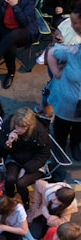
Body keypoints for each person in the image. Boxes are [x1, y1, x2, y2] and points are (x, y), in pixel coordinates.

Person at [0, 108, 51, 208]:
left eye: (23, 127)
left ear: (29, 126)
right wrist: (8, 142)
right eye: (17, 125)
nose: (19, 129)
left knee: (21, 183)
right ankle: (9, 200)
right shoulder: (8, 126)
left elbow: (43, 155)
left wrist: (26, 168)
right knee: (10, 179)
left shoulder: (39, 132)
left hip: (34, 162)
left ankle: (26, 202)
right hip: (14, 158)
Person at [45, 4, 81, 161]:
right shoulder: (74, 50)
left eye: (75, 23)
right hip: (66, 97)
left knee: (79, 127)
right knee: (61, 125)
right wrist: (56, 72)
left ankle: (74, 144)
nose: (71, 25)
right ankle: (59, 146)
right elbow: (52, 52)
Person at [0, 0, 38, 89]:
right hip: (6, 31)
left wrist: (15, 5)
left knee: (13, 36)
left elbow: (24, 23)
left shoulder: (28, 1)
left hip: (25, 32)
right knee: (10, 45)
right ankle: (11, 73)